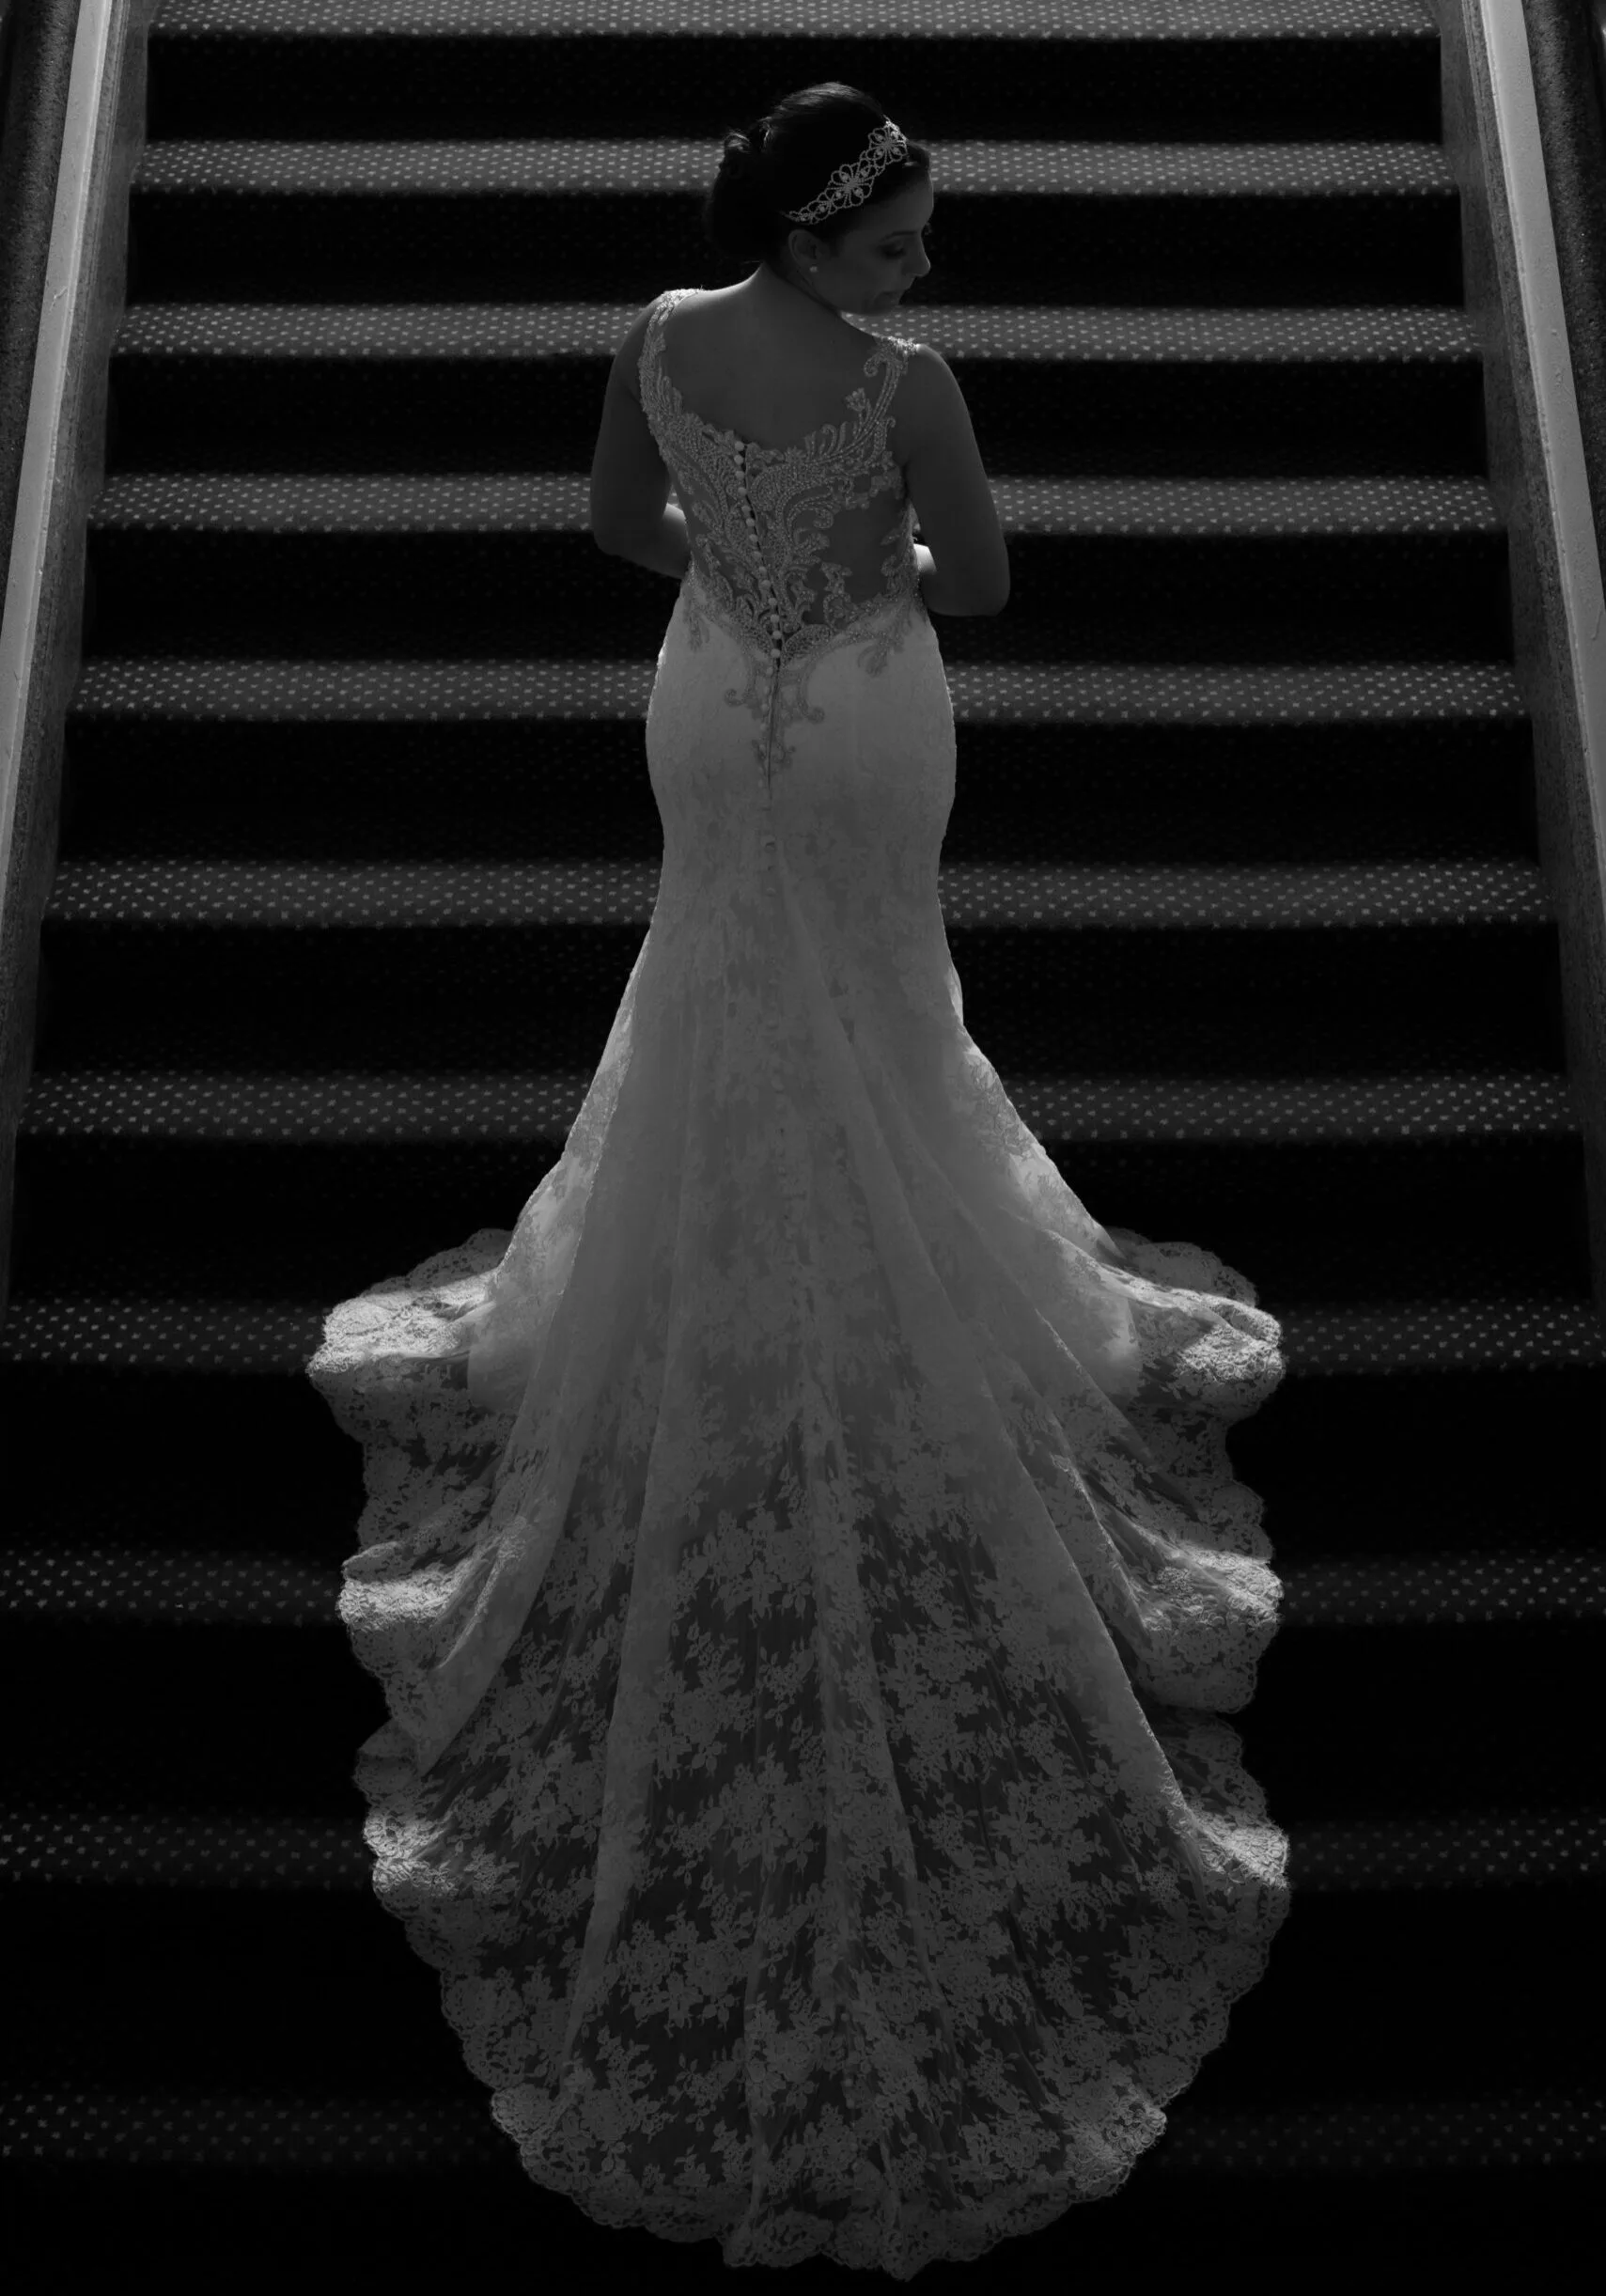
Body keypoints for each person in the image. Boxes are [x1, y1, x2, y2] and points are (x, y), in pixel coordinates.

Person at [308, 82, 1292, 2279]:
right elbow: (994, 579)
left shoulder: (659, 329)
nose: (913, 278)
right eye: (891, 246)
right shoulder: (907, 393)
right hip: (861, 707)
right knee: (868, 997)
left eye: (915, 251)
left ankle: (706, 1265)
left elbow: (616, 525)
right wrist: (870, 569)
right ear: (821, 229)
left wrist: (745, 574)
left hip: (705, 693)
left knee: (723, 988)